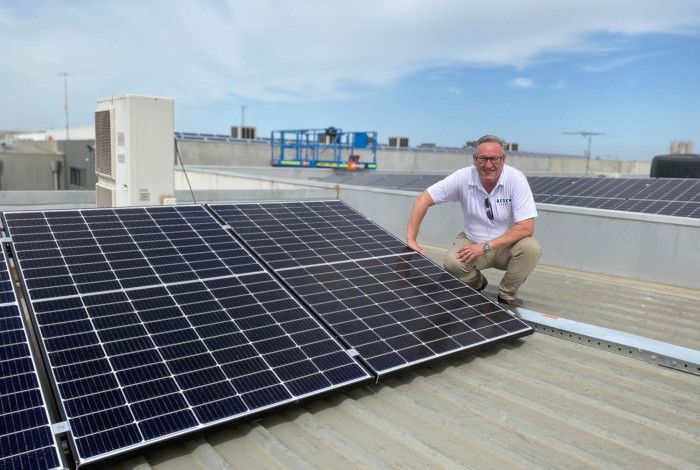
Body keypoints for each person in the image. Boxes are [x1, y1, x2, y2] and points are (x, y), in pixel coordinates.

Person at [406, 134, 541, 307]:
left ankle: (506, 294)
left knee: (531, 248)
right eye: (483, 159)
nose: (488, 165)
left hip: (506, 247)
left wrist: (485, 246)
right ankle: (478, 284)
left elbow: (526, 228)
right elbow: (422, 200)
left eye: (494, 159)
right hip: (472, 240)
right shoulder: (463, 177)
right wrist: (411, 238)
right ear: (474, 159)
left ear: (503, 159)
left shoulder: (515, 179)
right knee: (452, 263)